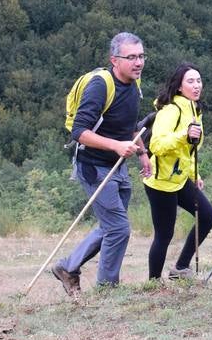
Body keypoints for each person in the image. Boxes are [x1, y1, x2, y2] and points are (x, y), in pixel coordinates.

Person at [51, 32, 151, 295]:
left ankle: (67, 267)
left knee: (110, 225)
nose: (138, 62)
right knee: (118, 228)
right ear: (114, 60)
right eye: (131, 57)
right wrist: (117, 146)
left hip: (119, 166)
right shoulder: (100, 86)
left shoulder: (133, 85)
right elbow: (79, 132)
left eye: (141, 56)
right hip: (94, 167)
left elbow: (127, 126)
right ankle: (107, 289)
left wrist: (142, 152)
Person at [142, 62, 212, 280]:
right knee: (164, 234)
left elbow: (189, 150)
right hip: (161, 182)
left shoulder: (195, 109)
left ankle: (180, 268)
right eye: (190, 81)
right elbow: (157, 145)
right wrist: (183, 135)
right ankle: (153, 283)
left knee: (208, 216)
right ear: (179, 86)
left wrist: (195, 175)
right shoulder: (171, 110)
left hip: (181, 178)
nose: (196, 86)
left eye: (199, 81)